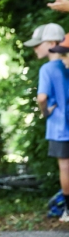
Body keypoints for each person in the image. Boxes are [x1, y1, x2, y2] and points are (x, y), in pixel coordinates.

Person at [41, 31, 69, 222]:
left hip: (59, 127)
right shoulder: (63, 67)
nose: (64, 60)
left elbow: (41, 97)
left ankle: (67, 209)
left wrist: (45, 112)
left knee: (65, 168)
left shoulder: (48, 69)